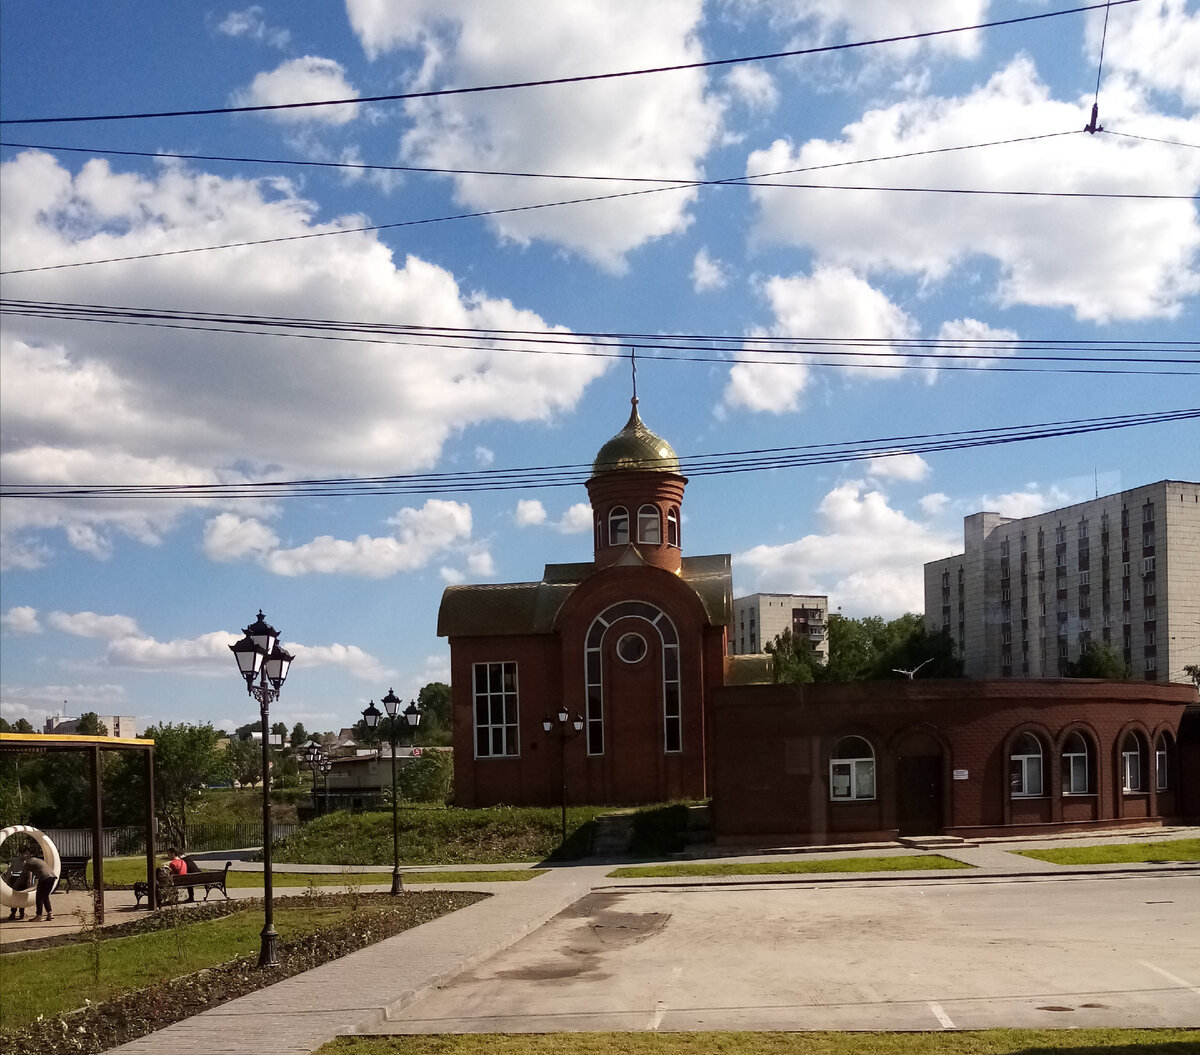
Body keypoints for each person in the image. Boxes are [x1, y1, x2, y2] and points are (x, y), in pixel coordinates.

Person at [20, 850, 57, 922]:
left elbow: (23, 875)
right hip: (52, 877)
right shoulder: (37, 860)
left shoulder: (27, 863)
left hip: (44, 877)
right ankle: (50, 913)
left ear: (24, 861)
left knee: (39, 897)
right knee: (45, 896)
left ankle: (39, 916)